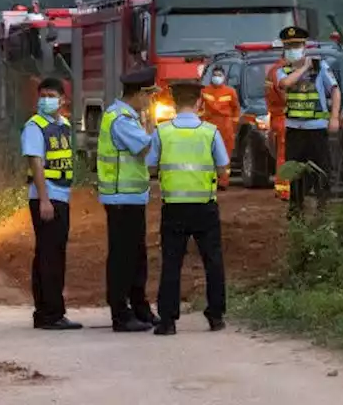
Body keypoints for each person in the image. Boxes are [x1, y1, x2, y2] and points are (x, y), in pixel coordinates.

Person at [148, 79, 229, 336]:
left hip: (174, 208)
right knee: (213, 262)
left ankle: (168, 321)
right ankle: (215, 316)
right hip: (204, 207)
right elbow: (223, 167)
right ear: (199, 103)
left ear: (173, 103)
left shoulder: (162, 132)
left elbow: (151, 166)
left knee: (171, 264)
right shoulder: (210, 132)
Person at [96, 68, 160, 333]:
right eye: (150, 96)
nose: (152, 101)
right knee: (123, 256)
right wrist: (156, 128)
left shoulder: (128, 116)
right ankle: (120, 314)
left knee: (136, 254)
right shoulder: (121, 119)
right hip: (121, 197)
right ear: (140, 94)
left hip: (132, 196)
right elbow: (144, 147)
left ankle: (139, 306)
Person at [19, 77, 82, 331]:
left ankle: (49, 311)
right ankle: (50, 313)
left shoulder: (64, 125)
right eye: (42, 95)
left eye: (51, 95)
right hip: (46, 197)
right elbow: (36, 165)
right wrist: (44, 200)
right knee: (49, 257)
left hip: (61, 196)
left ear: (62, 99)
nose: (46, 99)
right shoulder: (35, 126)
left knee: (54, 254)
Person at [275, 26, 341, 217]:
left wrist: (334, 117)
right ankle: (296, 208)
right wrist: (304, 67)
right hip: (294, 129)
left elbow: (335, 90)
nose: (292, 49)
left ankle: (323, 208)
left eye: (296, 45)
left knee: (321, 169)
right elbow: (285, 84)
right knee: (294, 172)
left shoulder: (321, 67)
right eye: (289, 46)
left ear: (304, 46)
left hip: (316, 129)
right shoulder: (283, 71)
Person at [200, 65, 240, 190]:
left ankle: (223, 182)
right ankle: (210, 181)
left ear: (224, 77)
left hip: (225, 126)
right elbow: (199, 108)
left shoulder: (230, 91)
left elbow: (236, 109)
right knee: (208, 154)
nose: (217, 77)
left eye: (219, 75)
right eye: (215, 75)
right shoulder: (205, 91)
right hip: (209, 124)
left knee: (225, 154)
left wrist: (233, 126)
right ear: (211, 77)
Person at [265, 58, 290, 201]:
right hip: (284, 117)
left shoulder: (272, 70)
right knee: (285, 156)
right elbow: (285, 96)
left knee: (282, 155)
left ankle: (282, 188)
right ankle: (284, 190)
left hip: (277, 117)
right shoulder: (281, 72)